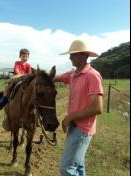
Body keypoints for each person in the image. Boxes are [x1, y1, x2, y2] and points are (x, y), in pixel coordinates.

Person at [53, 40, 103, 176]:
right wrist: (37, 77)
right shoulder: (73, 74)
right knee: (78, 167)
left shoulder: (92, 76)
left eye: (72, 55)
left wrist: (70, 117)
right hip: (75, 127)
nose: (69, 58)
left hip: (82, 129)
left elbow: (97, 108)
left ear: (82, 55)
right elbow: (55, 78)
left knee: (66, 168)